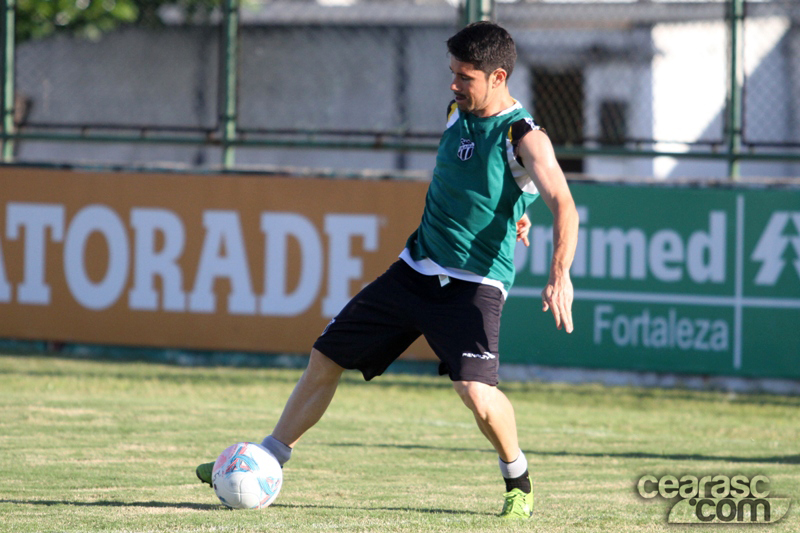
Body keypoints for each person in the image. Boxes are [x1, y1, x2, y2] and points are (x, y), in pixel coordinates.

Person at [196, 21, 579, 519]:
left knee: (477, 394)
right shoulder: (456, 112)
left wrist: (559, 273)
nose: (453, 84)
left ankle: (518, 480)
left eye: (464, 77)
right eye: (452, 73)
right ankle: (263, 459)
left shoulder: (523, 136)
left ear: (498, 77)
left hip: (473, 285)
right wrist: (515, 209)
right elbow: (474, 184)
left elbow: (564, 204)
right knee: (326, 357)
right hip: (414, 270)